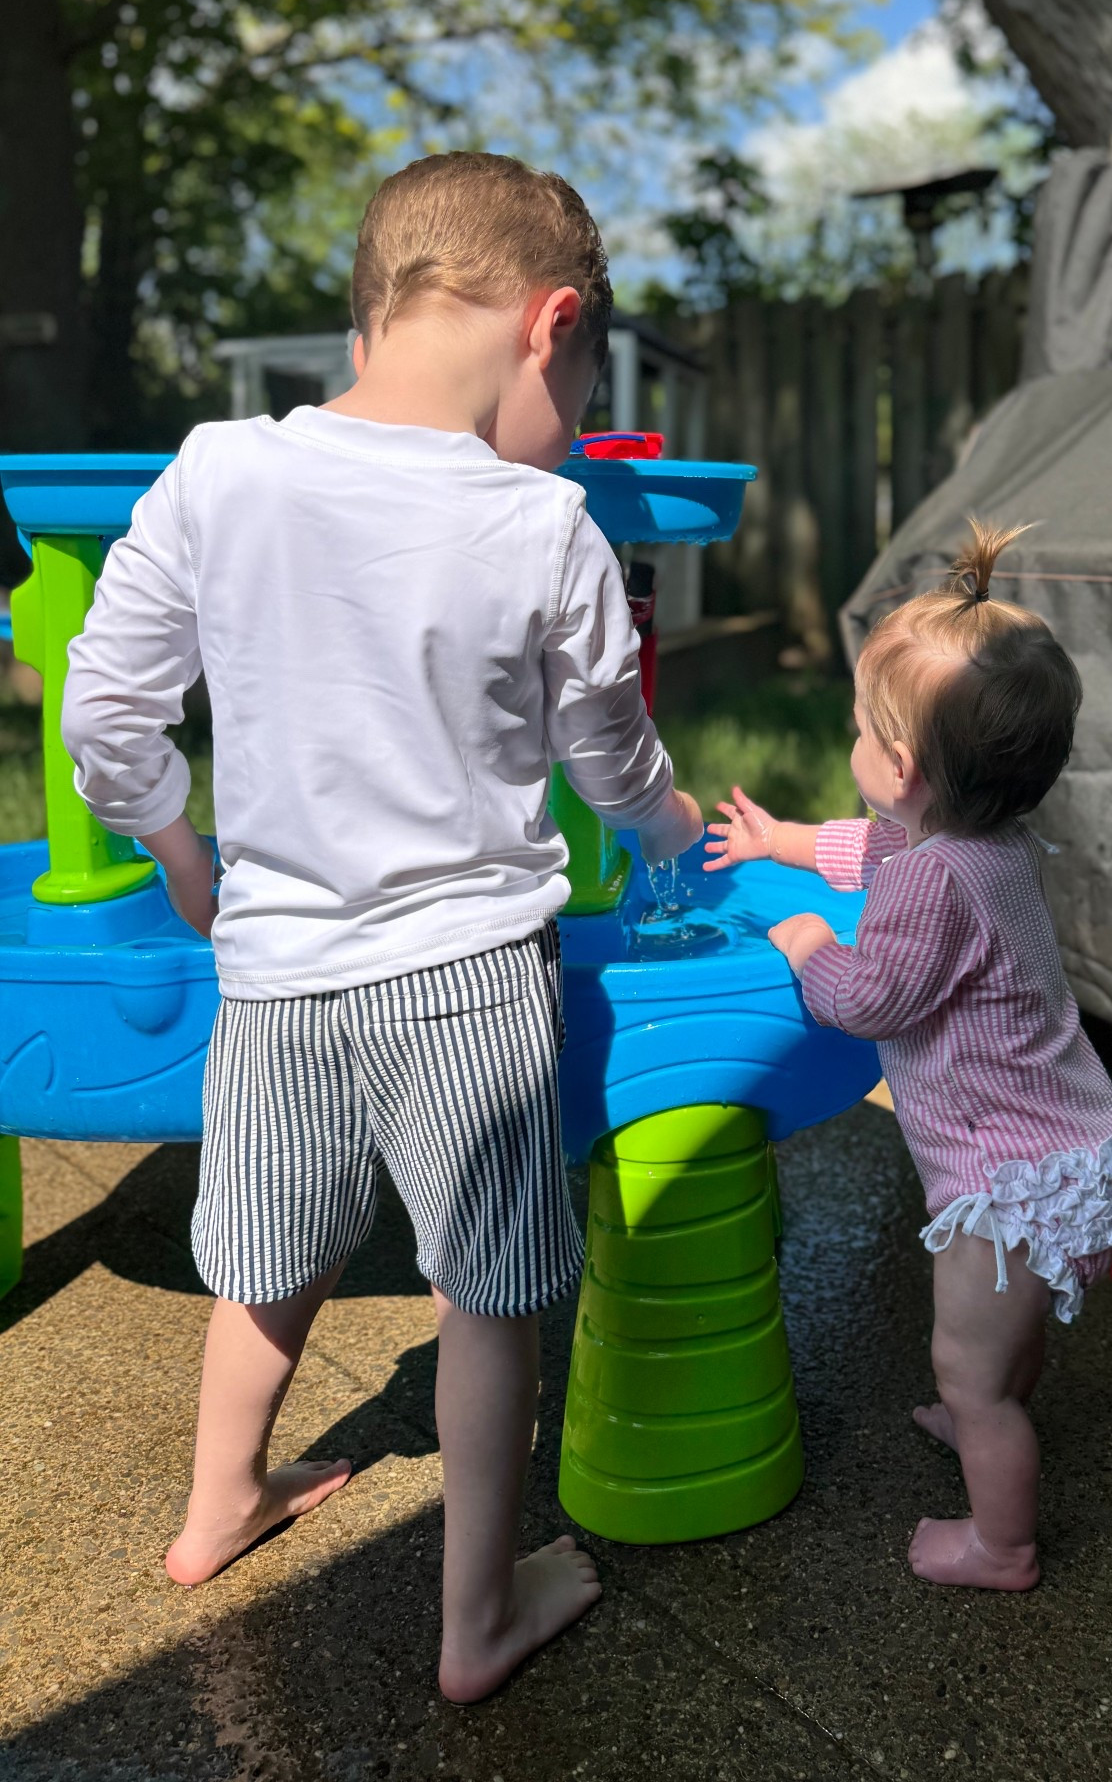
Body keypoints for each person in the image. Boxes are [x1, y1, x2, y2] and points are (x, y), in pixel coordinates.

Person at [61, 152, 702, 1700]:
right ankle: (477, 1619)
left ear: (376, 318)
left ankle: (219, 1507)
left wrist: (182, 855)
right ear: (553, 327)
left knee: (268, 1256)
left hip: (277, 978)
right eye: (581, 389)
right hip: (469, 982)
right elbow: (608, 757)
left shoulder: (221, 472)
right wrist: (672, 830)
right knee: (488, 1294)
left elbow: (103, 710)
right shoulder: (543, 523)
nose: (572, 428)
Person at [703, 524, 1112, 1592]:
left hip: (1007, 1182)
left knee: (967, 1362)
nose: (853, 740)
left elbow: (870, 999)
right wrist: (780, 841)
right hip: (1074, 1149)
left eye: (861, 729)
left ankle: (1002, 1541)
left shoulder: (931, 881)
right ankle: (985, 1411)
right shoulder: (979, 843)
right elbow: (875, 845)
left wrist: (808, 943)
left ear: (899, 765)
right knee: (1008, 1338)